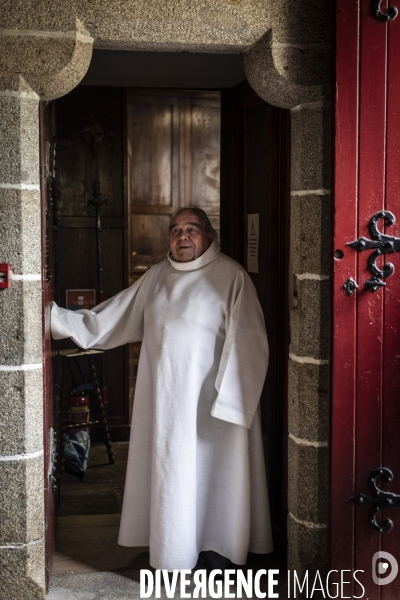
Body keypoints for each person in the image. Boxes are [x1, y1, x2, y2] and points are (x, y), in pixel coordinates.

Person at [51, 207, 273, 572]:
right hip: (169, 405)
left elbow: (250, 340)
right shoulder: (156, 277)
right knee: (176, 476)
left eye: (192, 229)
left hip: (215, 407)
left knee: (218, 479)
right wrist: (57, 319)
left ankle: (217, 553)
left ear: (208, 235)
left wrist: (233, 401)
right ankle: (175, 552)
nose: (182, 236)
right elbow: (112, 317)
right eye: (175, 230)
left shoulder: (231, 276)